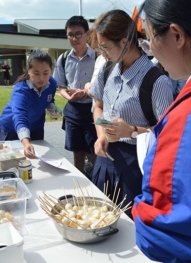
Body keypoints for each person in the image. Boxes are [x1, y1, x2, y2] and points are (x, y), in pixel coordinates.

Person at [89, 10, 174, 219]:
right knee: (97, 217)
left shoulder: (156, 82)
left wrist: (132, 131)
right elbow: (98, 106)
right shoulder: (107, 70)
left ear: (125, 42)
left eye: (106, 47)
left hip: (135, 165)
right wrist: (101, 133)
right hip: (104, 157)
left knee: (128, 226)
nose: (103, 53)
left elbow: (169, 134)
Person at [132, 1, 191, 262]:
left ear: (176, 36)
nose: (151, 49)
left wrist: (137, 210)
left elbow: (162, 229)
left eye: (149, 37)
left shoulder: (184, 114)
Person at [53, 15, 97, 174]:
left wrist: (86, 92)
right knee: (77, 151)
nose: (74, 38)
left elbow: (103, 86)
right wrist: (69, 97)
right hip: (72, 111)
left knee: (92, 152)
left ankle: (93, 181)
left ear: (87, 34)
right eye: (70, 35)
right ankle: (79, 179)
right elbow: (60, 86)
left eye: (78, 34)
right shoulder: (63, 58)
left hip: (93, 110)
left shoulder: (98, 58)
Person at [0, 50, 60, 158]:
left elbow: (49, 100)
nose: (41, 78)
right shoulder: (21, 90)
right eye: (36, 73)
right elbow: (20, 116)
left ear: (51, 70)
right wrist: (26, 143)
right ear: (28, 70)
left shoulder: (52, 83)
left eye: (46, 73)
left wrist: (52, 109)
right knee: (11, 160)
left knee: (38, 159)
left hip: (36, 127)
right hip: (12, 129)